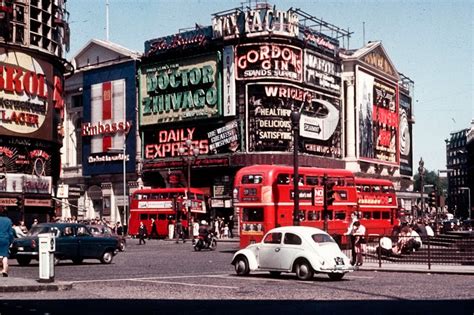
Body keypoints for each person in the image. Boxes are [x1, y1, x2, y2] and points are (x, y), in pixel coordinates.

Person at [0, 207, 14, 277]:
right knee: (5, 255)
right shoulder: (8, 221)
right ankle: (5, 270)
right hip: (5, 239)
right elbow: (11, 233)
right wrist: (11, 240)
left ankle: (0, 269)